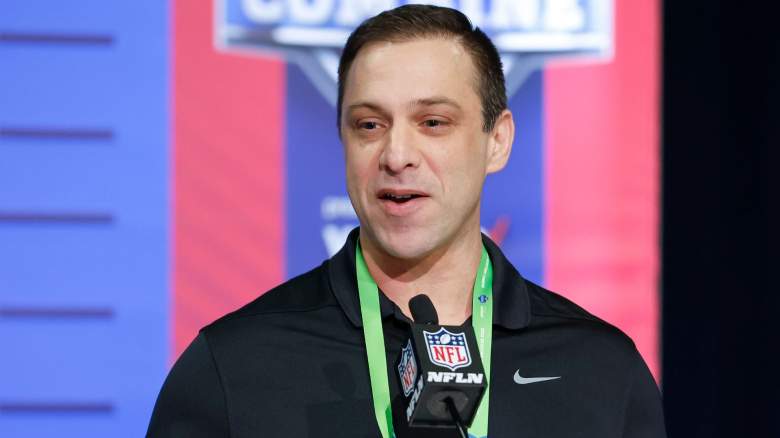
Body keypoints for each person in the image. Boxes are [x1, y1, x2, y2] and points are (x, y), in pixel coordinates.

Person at [147, 5, 666, 437]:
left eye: (433, 122)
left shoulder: (602, 371)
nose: (396, 155)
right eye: (369, 125)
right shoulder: (232, 367)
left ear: (497, 140)